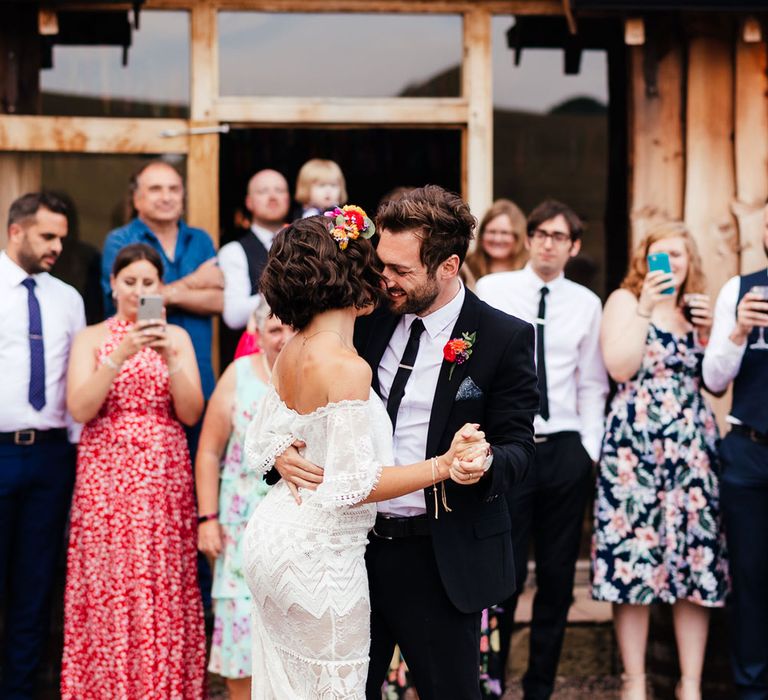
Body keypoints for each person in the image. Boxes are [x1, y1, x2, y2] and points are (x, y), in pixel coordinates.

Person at [273, 186, 540, 700]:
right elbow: (300, 396)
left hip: (441, 558)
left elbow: (520, 449)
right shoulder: (365, 317)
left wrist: (481, 462)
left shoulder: (503, 337)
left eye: (400, 270)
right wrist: (282, 450)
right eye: (381, 264)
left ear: (448, 266)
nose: (384, 279)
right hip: (351, 551)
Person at [241, 209, 491, 699]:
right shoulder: (347, 366)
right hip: (322, 556)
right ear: (354, 273)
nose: (385, 277)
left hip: (274, 535)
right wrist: (443, 465)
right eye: (378, 266)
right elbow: (355, 486)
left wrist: (280, 453)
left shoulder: (292, 348)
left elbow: (259, 439)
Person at [476, 199, 609, 699]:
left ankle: (539, 688)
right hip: (511, 448)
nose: (549, 243)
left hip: (565, 449)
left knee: (555, 578)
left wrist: (588, 449)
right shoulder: (494, 289)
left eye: (560, 236)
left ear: (574, 247)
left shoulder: (586, 303)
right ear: (528, 239)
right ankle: (490, 681)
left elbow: (592, 383)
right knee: (503, 573)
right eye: (541, 234)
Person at [61, 243, 206, 699]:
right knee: (110, 578)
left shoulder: (176, 337)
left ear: (160, 288)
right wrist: (119, 354)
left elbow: (190, 412)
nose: (138, 290)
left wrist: (173, 360)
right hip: (106, 473)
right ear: (112, 284)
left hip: (164, 473)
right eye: (130, 282)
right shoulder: (91, 337)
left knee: (161, 578)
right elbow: (81, 408)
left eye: (148, 283)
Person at [592, 221, 728, 700]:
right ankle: (635, 680)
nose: (671, 264)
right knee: (633, 557)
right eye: (660, 255)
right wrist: (648, 305)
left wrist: (712, 332)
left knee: (694, 559)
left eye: (680, 255)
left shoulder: (698, 310)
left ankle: (689, 683)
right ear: (644, 260)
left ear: (691, 262)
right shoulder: (625, 302)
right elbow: (620, 367)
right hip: (634, 450)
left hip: (690, 450)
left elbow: (717, 383)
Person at [0, 192, 85, 699]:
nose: (57, 246)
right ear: (16, 231)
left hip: (53, 456)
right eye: (47, 236)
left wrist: (75, 455)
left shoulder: (68, 298)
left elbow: (74, 381)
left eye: (61, 237)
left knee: (35, 587)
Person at [195, 299, 293, 700]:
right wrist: (207, 519)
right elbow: (208, 451)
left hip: (293, 534)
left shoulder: (316, 377)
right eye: (274, 330)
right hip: (241, 532)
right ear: (257, 334)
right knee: (241, 655)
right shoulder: (238, 376)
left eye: (293, 327)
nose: (284, 338)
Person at [703, 202, 768, 699]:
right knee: (748, 578)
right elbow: (714, 379)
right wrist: (739, 331)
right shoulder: (740, 290)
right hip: (748, 451)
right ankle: (750, 688)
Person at [101, 159, 223, 401]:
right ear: (136, 199)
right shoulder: (120, 241)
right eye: (156, 189)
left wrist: (165, 294)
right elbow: (134, 305)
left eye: (174, 189)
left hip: (198, 372)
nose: (166, 197)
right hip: (144, 374)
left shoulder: (200, 239)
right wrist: (196, 282)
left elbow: (219, 302)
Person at [218, 169, 291, 332]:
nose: (273, 197)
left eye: (279, 190)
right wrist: (289, 291)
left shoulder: (304, 243)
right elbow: (234, 315)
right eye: (263, 191)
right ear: (249, 202)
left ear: (288, 198)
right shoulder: (234, 251)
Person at [465, 199, 528, 280]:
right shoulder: (467, 266)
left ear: (518, 236)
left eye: (505, 233)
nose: (497, 239)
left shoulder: (529, 269)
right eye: (492, 232)